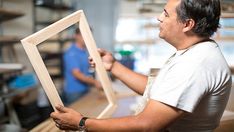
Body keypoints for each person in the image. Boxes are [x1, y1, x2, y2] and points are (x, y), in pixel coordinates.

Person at [51, 0, 232, 131]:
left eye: (166, 13)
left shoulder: (194, 65)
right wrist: (113, 65)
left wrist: (82, 123)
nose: (158, 18)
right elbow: (157, 89)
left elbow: (147, 125)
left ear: (187, 24)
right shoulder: (195, 53)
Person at [63, 28, 101, 105]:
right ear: (76, 36)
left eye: (89, 35)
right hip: (74, 92)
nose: (87, 38)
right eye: (85, 35)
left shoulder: (84, 51)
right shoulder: (71, 53)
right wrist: (95, 82)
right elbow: (77, 74)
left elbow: (87, 69)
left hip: (85, 89)